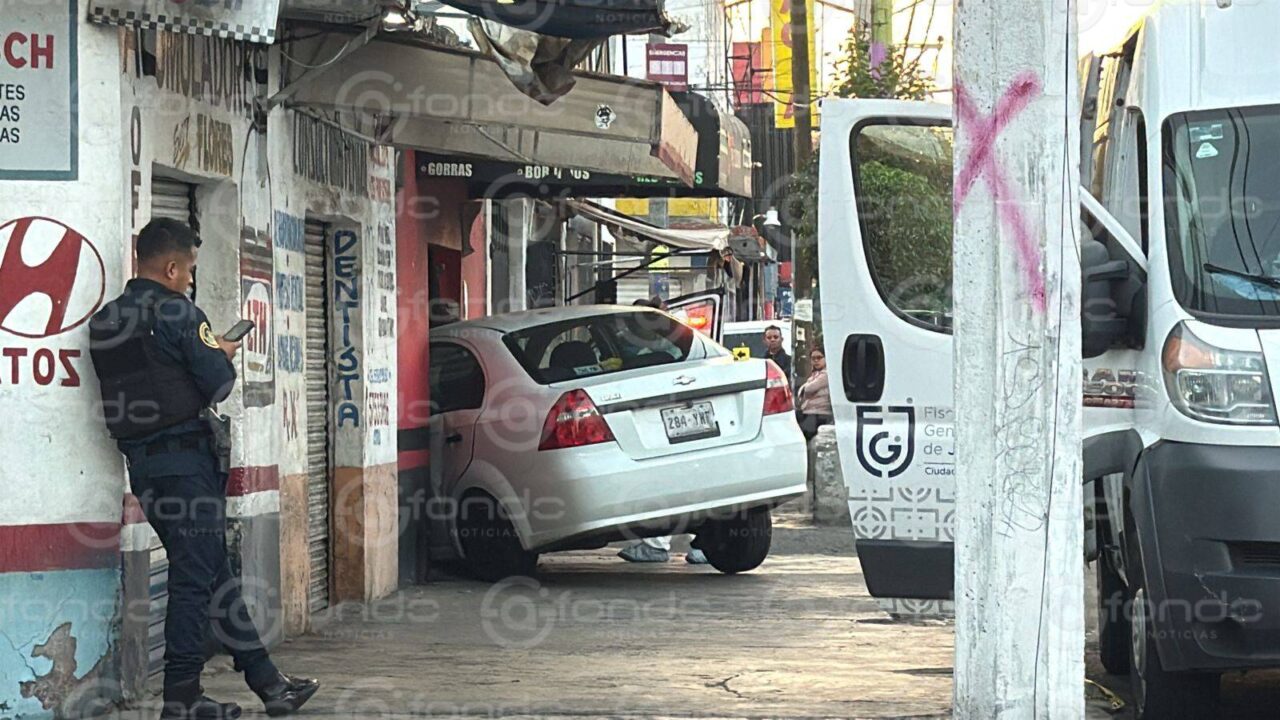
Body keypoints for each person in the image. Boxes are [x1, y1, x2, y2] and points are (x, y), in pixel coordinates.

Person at [89, 219, 319, 720]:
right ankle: (182, 697)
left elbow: (144, 384)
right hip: (187, 467)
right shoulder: (178, 312)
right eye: (190, 269)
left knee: (212, 573)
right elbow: (217, 385)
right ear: (171, 268)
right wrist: (221, 350)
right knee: (194, 581)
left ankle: (269, 683)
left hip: (146, 471)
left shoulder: (106, 320)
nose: (191, 279)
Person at [796, 346, 834, 440]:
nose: (816, 361)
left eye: (819, 358)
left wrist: (805, 389)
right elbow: (800, 391)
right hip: (809, 412)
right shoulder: (815, 374)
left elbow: (808, 388)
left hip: (820, 413)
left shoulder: (827, 374)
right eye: (813, 358)